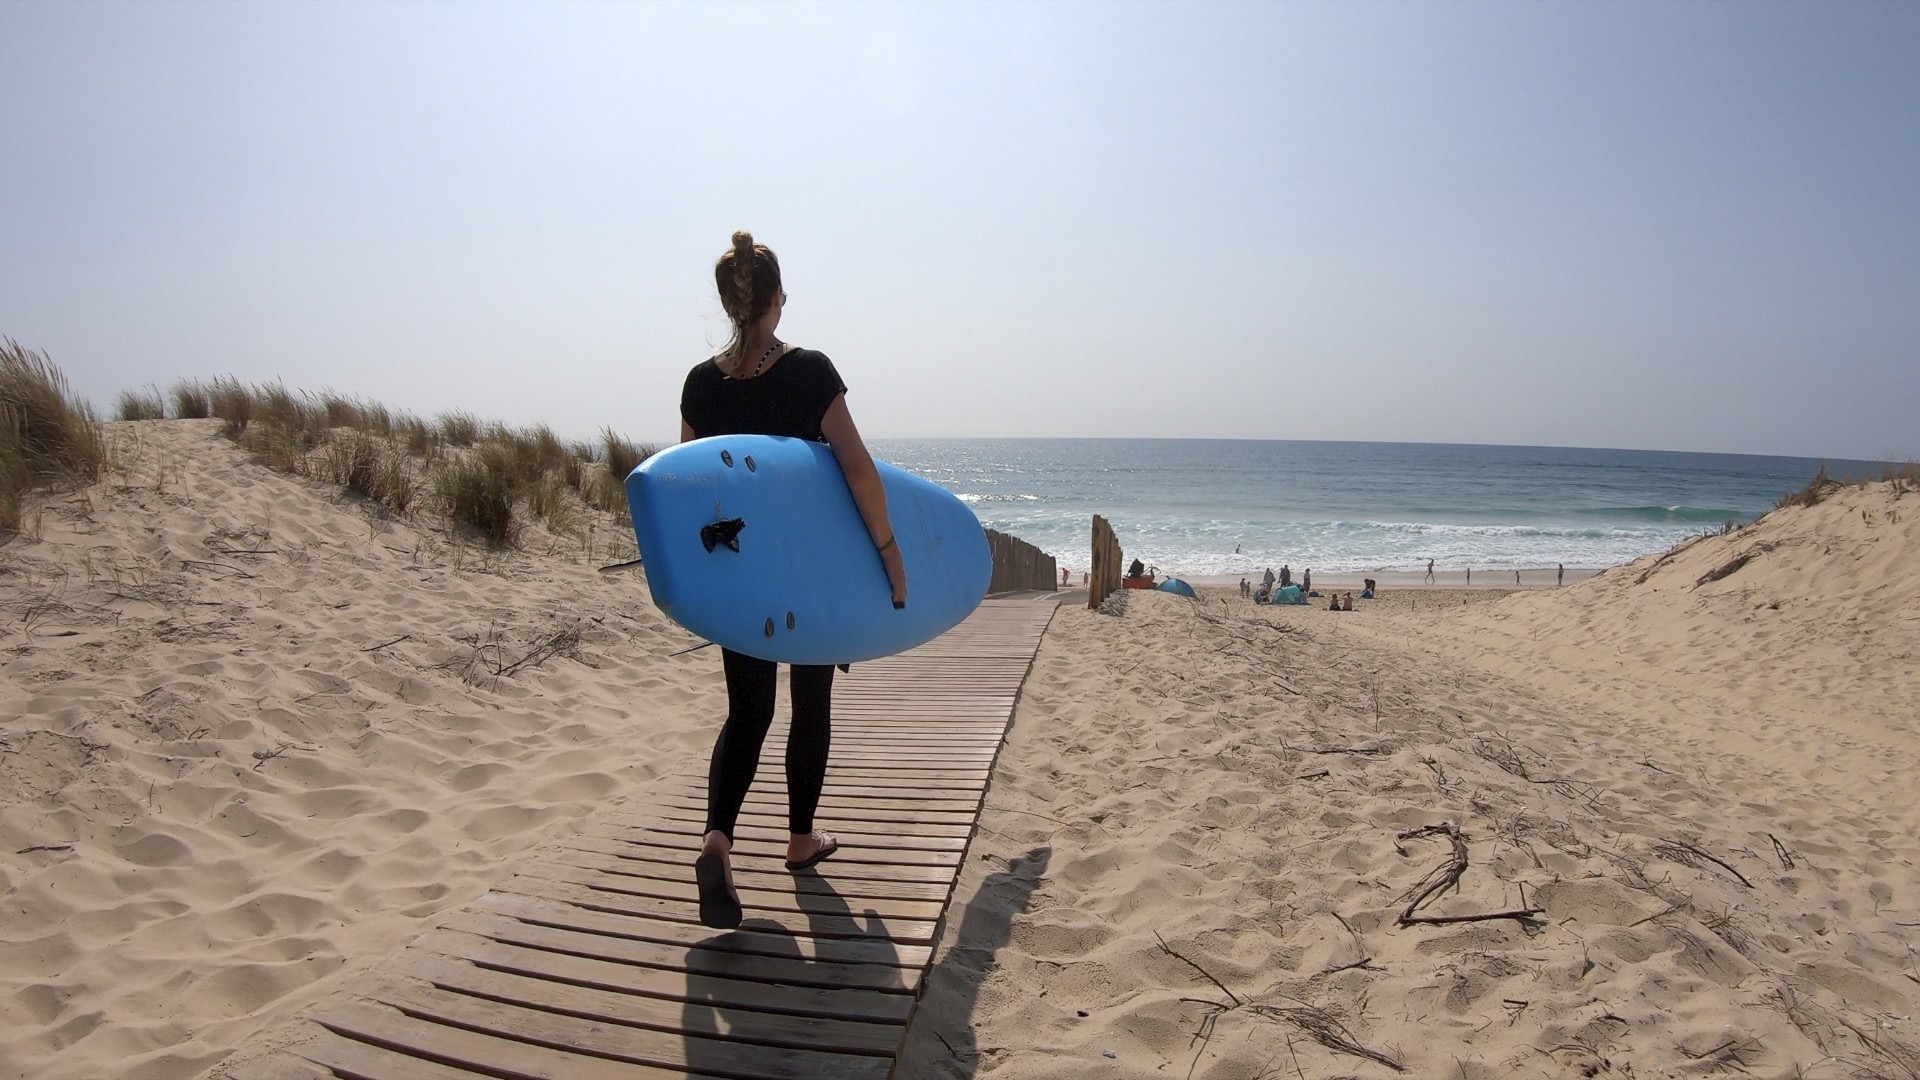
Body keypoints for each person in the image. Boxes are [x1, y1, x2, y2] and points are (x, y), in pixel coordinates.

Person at [681, 231, 908, 930]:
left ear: (728, 303)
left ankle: (719, 840)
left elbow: (693, 490)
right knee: (810, 704)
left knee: (748, 710)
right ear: (777, 300)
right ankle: (801, 838)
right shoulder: (810, 372)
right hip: (812, 575)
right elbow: (858, 468)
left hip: (742, 578)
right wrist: (890, 553)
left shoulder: (700, 384)